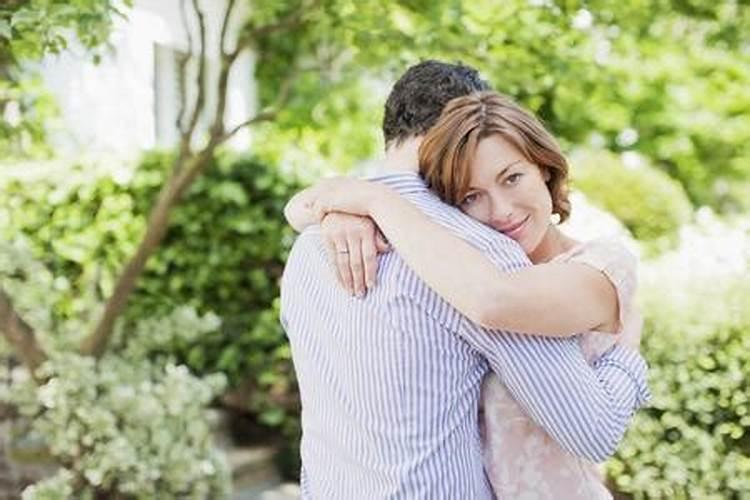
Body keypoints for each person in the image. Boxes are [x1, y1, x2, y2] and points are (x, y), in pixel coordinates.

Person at [280, 62, 650, 499]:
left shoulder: (310, 246)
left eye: (512, 176)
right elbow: (593, 428)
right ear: (459, 132)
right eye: (472, 193)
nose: (499, 210)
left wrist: (363, 198)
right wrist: (629, 345)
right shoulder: (472, 253)